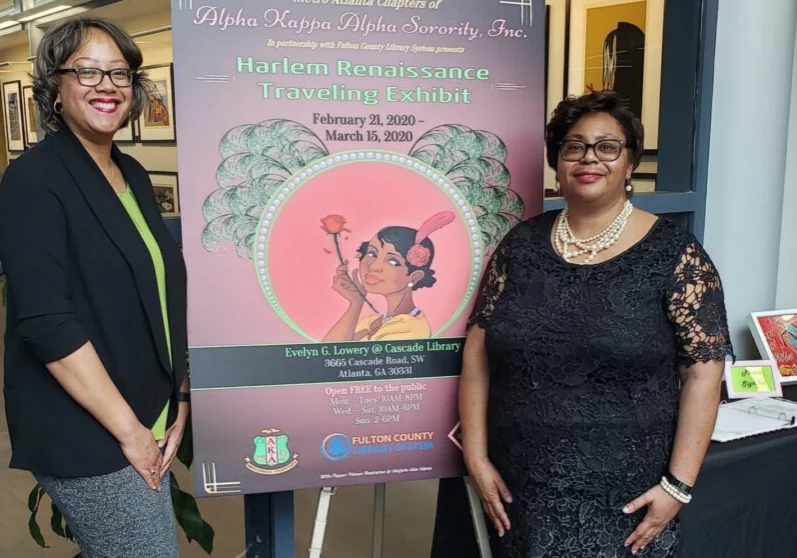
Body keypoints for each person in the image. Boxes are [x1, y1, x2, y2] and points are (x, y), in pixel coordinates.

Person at [460, 91, 733, 557]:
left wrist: (678, 486)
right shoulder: (520, 246)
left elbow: (702, 373)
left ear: (630, 164)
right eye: (574, 146)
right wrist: (477, 456)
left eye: (607, 146)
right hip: (521, 490)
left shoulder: (673, 254)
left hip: (627, 501)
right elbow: (477, 353)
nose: (590, 158)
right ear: (558, 162)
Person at [0, 17, 188, 557]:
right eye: (86, 71)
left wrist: (180, 395)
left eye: (119, 73)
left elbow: (160, 292)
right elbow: (47, 322)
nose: (107, 85)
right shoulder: (34, 180)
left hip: (148, 413)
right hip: (92, 430)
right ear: (55, 88)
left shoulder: (131, 173)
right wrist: (130, 432)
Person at [323, 211, 454, 342]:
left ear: (414, 277)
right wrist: (356, 303)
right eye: (372, 253)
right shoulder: (370, 322)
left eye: (392, 261)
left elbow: (331, 356)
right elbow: (326, 357)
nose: (374, 266)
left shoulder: (408, 328)